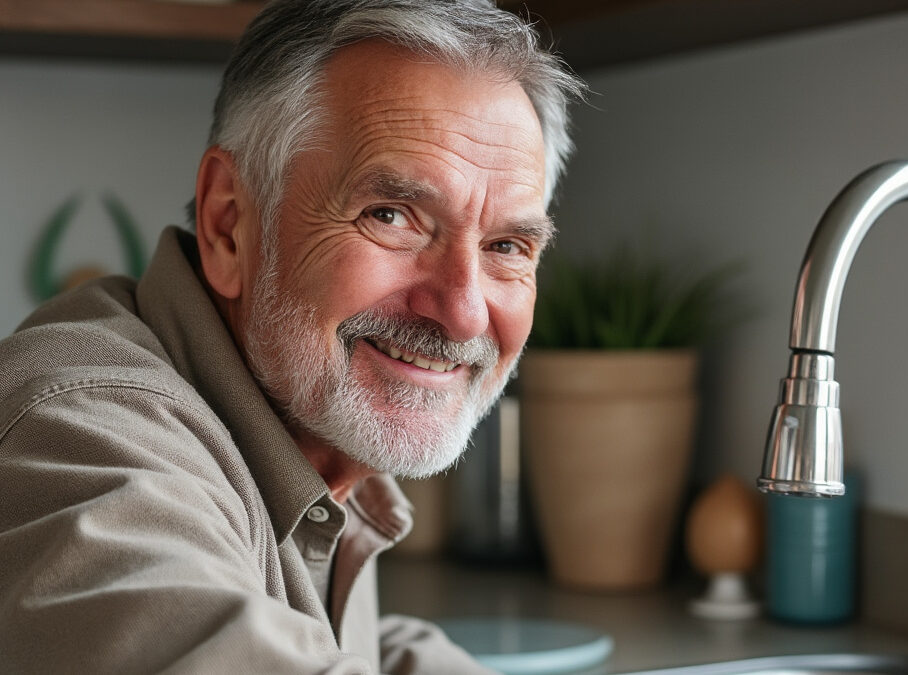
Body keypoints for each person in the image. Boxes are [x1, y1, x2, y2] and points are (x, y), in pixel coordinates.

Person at [0, 1, 584, 672]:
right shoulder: (78, 431)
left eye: (507, 244)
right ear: (229, 224)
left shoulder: (313, 434)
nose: (463, 313)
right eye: (391, 215)